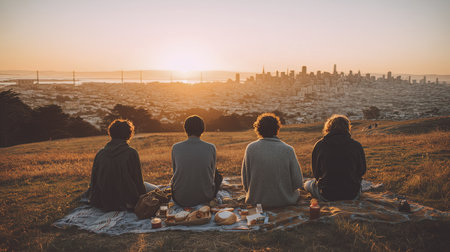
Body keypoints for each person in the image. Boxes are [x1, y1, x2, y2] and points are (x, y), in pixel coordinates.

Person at [87, 119, 157, 211]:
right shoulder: (131, 153)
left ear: (110, 133)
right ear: (129, 134)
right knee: (155, 189)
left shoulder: (100, 153)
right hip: (126, 201)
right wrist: (142, 200)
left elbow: (94, 180)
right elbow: (138, 181)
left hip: (103, 201)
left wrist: (94, 200)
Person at [241, 113, 303, 208]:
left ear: (258, 129)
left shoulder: (250, 148)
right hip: (285, 200)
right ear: (277, 129)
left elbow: (245, 182)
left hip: (256, 201)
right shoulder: (288, 149)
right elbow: (297, 182)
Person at [304, 114, 366, 201]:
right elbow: (362, 170)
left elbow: (316, 174)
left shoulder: (320, 145)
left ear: (328, 128)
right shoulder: (356, 145)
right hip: (352, 194)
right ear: (347, 128)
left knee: (307, 184)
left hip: (326, 194)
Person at [170, 115, 222, 207]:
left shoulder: (175, 147)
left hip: (180, 198)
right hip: (206, 197)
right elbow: (212, 174)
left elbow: (175, 172)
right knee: (218, 175)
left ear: (185, 129)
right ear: (203, 129)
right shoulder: (211, 147)